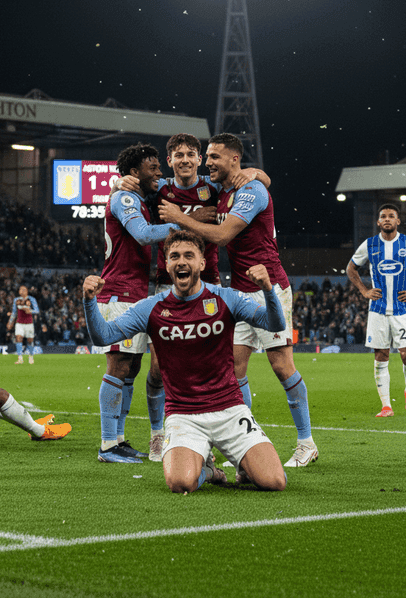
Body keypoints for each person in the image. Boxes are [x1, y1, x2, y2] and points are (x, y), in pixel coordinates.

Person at [83, 230, 287, 492]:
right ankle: (209, 470)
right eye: (175, 256)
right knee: (180, 483)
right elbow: (103, 336)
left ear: (202, 263)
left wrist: (268, 290)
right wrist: (89, 301)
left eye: (189, 255)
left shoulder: (226, 298)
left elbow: (275, 324)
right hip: (183, 415)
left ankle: (244, 465)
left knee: (274, 482)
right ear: (167, 265)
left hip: (230, 409)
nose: (181, 261)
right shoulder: (151, 307)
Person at [159, 133, 317, 468]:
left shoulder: (250, 191)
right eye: (208, 157)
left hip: (268, 288)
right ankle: (245, 444)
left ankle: (306, 443)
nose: (208, 163)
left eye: (214, 157)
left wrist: (178, 216)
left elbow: (221, 235)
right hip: (240, 292)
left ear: (234, 159)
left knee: (281, 365)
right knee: (233, 370)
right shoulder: (226, 191)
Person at [115, 132, 268, 461]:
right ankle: (158, 434)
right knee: (159, 369)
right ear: (169, 161)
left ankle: (235, 433)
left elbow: (254, 181)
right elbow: (127, 192)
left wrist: (257, 172)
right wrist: (117, 184)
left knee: (223, 365)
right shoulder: (159, 189)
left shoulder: (213, 186)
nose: (184, 159)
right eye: (178, 155)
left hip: (210, 283)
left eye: (191, 154)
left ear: (200, 159)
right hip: (166, 284)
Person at [94, 142, 180, 464]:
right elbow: (143, 234)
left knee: (131, 367)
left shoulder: (139, 198)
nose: (159, 172)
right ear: (134, 172)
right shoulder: (125, 197)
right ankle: (107, 446)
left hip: (133, 294)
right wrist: (183, 223)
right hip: (119, 294)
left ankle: (118, 439)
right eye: (152, 167)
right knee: (118, 365)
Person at [346, 203, 406, 417]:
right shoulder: (369, 244)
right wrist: (364, 290)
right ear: (378, 222)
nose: (387, 219)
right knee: (381, 356)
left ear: (398, 221)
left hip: (402, 309)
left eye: (391, 216)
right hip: (377, 310)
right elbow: (351, 268)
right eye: (384, 216)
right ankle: (386, 406)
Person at [7, 285, 40, 364]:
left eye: (23, 289)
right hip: (19, 323)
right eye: (20, 289)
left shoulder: (32, 299)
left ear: (27, 291)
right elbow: (14, 312)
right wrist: (10, 322)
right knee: (18, 338)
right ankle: (20, 358)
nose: (22, 291)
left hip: (29, 323)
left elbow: (37, 310)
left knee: (30, 340)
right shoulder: (16, 300)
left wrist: (30, 311)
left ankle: (31, 356)